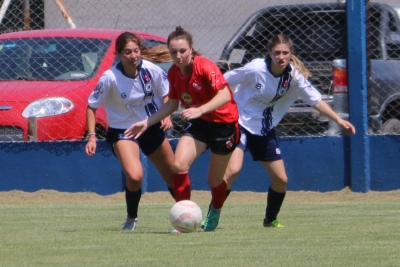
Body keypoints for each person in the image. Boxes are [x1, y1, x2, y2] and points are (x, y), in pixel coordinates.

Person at [203, 33, 356, 229]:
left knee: (281, 180)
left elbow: (315, 100)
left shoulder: (294, 77)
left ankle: (270, 220)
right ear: (270, 53)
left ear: (291, 54)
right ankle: (213, 214)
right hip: (238, 123)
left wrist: (338, 119)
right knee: (233, 170)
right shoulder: (256, 68)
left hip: (265, 131)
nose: (281, 57)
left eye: (285, 53)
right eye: (277, 53)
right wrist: (209, 103)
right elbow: (224, 81)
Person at [124, 26, 240, 232]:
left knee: (214, 180)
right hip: (200, 125)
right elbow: (172, 104)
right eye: (173, 52)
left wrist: (200, 109)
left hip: (224, 126)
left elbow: (225, 96)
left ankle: (216, 209)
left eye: (183, 51)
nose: (178, 56)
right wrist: (147, 122)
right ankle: (183, 219)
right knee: (178, 165)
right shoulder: (173, 72)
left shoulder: (205, 66)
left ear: (191, 50)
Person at [85, 32, 176, 232]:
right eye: (127, 52)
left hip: (151, 126)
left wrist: (166, 115)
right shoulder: (110, 77)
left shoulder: (152, 70)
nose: (133, 56)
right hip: (123, 130)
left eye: (136, 51)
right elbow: (92, 105)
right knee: (135, 176)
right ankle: (131, 218)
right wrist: (92, 136)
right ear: (118, 54)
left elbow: (168, 95)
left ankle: (188, 214)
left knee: (174, 176)